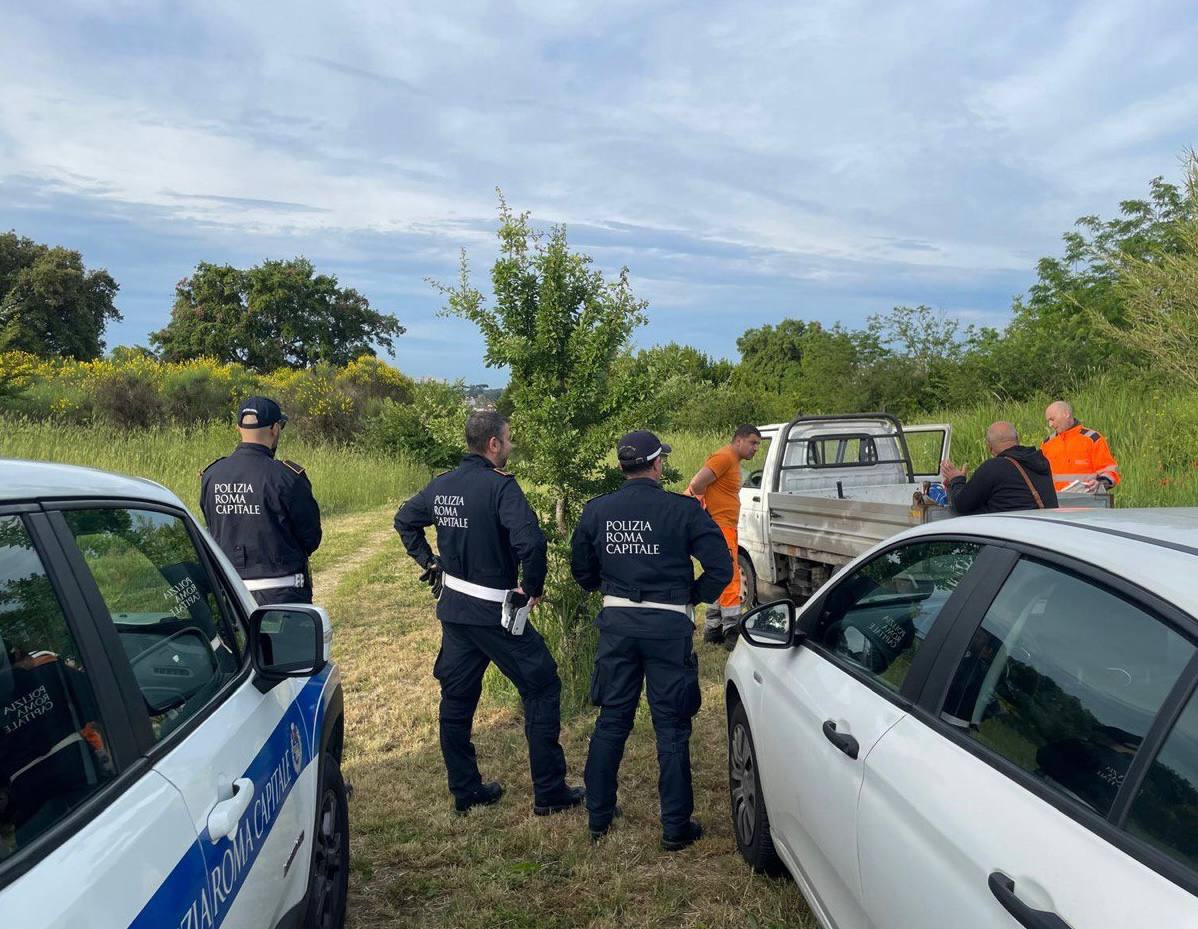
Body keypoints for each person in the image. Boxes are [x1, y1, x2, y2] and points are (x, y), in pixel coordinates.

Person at [394, 411, 583, 816]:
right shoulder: (500, 486)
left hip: (455, 612)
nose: (511, 445)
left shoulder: (442, 484)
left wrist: (429, 562)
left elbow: (405, 520)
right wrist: (532, 588)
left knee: (456, 699)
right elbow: (531, 543)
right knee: (542, 686)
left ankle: (465, 790)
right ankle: (550, 791)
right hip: (495, 613)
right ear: (493, 444)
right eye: (508, 439)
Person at [571, 430, 733, 850]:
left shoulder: (597, 510)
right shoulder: (683, 510)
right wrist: (691, 597)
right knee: (672, 727)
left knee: (612, 719)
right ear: (657, 464)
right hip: (668, 629)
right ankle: (675, 827)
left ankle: (598, 816)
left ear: (622, 466)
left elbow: (581, 570)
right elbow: (721, 567)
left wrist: (611, 591)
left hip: (618, 627)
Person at [201, 396, 322, 606]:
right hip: (283, 595)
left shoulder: (211, 475)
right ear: (275, 428)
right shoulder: (287, 477)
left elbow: (212, 527)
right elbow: (310, 538)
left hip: (229, 598)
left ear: (238, 428)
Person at [683, 425, 762, 647]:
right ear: (738, 441)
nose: (756, 448)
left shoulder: (733, 461)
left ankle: (713, 628)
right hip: (720, 526)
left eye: (758, 444)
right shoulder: (724, 457)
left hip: (725, 526)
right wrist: (704, 513)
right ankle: (731, 630)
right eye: (753, 442)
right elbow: (697, 483)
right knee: (729, 575)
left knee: (720, 575)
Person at [939, 422, 1059, 515]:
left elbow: (962, 505)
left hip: (1009, 533)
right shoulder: (1039, 460)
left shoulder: (993, 467)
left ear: (989, 447)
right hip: (1043, 528)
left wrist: (956, 479)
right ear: (1017, 439)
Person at [1042, 401, 1121, 493]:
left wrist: (1100, 482)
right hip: (1057, 500)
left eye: (1052, 419)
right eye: (1048, 421)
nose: (1050, 424)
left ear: (1066, 414)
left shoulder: (1093, 439)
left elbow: (1110, 471)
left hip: (1088, 499)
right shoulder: (1047, 444)